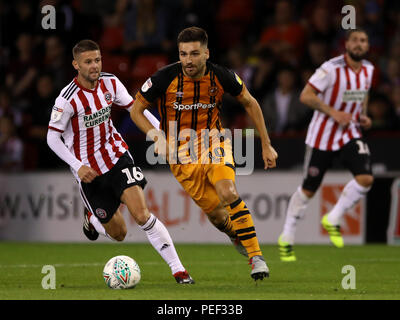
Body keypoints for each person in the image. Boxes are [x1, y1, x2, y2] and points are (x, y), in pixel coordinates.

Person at [130, 27, 278, 281]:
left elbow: (250, 102)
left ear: (206, 53)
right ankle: (234, 234)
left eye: (195, 54)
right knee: (219, 217)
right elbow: (136, 111)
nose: (188, 60)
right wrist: (157, 136)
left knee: (228, 192)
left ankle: (256, 257)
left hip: (214, 143)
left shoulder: (221, 76)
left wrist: (266, 144)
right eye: (184, 54)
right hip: (181, 157)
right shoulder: (164, 78)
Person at [46, 39, 194, 284]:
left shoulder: (110, 82)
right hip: (89, 171)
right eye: (88, 62)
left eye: (97, 60)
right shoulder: (67, 99)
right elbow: (52, 137)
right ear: (76, 65)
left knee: (141, 215)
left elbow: (135, 108)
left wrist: (159, 133)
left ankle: (179, 271)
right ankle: (92, 219)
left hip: (117, 157)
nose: (95, 66)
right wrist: (78, 166)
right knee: (119, 233)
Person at [278, 29, 375, 261]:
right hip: (322, 135)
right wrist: (333, 112)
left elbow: (362, 94)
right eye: (355, 40)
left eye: (363, 40)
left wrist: (363, 114)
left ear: (368, 45)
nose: (359, 44)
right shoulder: (331, 68)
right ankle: (287, 236)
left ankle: (333, 217)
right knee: (309, 190)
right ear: (347, 44)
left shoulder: (369, 70)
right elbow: (306, 95)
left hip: (350, 132)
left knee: (366, 179)